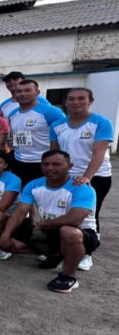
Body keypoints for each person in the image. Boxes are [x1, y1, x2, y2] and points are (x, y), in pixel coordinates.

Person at [0, 150, 98, 293]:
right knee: (9, 244)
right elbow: (20, 212)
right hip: (48, 230)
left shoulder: (82, 188)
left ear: (70, 166)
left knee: (68, 232)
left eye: (56, 164)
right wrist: (5, 235)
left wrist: (44, 223)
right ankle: (55, 254)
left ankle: (68, 276)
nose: (50, 168)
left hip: (80, 234)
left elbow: (75, 219)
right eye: (46, 164)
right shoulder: (33, 185)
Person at [50, 87, 113, 246]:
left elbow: (99, 153)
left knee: (89, 214)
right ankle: (61, 248)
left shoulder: (101, 122)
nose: (75, 102)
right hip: (67, 177)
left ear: (90, 101)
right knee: (63, 212)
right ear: (65, 102)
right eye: (71, 99)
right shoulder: (57, 125)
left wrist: (87, 177)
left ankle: (87, 251)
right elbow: (55, 153)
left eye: (81, 98)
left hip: (96, 176)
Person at [7, 79, 66, 186]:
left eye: (27, 90)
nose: (23, 94)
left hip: (43, 163)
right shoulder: (12, 114)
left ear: (37, 92)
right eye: (19, 91)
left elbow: (65, 137)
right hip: (19, 162)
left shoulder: (51, 112)